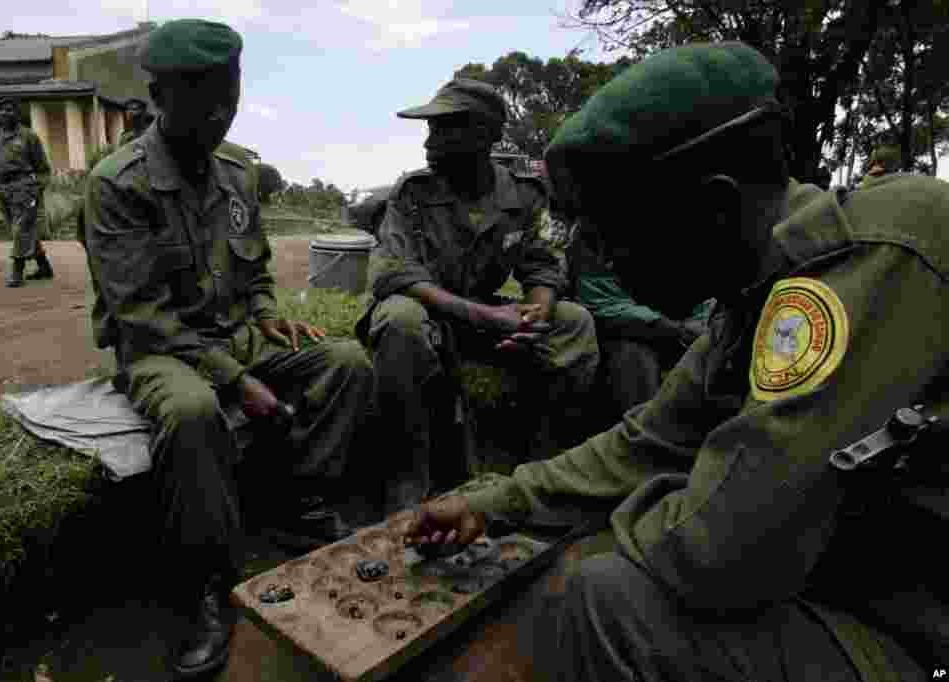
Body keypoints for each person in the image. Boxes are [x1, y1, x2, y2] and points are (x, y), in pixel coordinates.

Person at [405, 42, 946, 681]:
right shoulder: (751, 295)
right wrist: (495, 501)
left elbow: (724, 552)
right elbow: (649, 442)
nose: (596, 256)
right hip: (852, 584)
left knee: (610, 600)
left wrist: (625, 522)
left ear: (713, 205)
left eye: (609, 229)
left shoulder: (865, 263)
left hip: (914, 632)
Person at [83, 20, 373, 677]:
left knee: (346, 362)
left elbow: (256, 269)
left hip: (235, 332)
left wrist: (268, 315)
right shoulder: (118, 183)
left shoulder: (239, 170)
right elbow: (140, 315)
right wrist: (237, 380)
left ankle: (301, 506)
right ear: (158, 94)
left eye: (230, 99)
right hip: (157, 348)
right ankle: (206, 585)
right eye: (204, 102)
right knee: (191, 413)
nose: (220, 117)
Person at [357, 78, 600, 515]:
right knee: (400, 318)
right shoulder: (413, 194)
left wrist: (537, 312)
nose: (430, 142)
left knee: (574, 321)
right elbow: (392, 273)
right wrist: (489, 318)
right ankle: (409, 478)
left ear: (486, 134)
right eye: (431, 129)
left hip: (483, 320)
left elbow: (543, 262)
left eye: (447, 129)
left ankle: (543, 470)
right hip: (431, 314)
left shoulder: (526, 195)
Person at [571, 225, 714, 420]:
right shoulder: (596, 226)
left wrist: (701, 327)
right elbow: (602, 303)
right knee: (632, 353)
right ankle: (641, 433)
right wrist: (674, 328)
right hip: (629, 332)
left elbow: (709, 286)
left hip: (686, 326)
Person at [0, 97, 53, 287]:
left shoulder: (29, 136)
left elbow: (43, 168)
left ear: (17, 113)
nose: (6, 113)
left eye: (10, 110)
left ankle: (17, 272)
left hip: (24, 188)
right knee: (22, 230)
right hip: (2, 190)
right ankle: (44, 266)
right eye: (2, 110)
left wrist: (37, 189)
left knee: (21, 230)